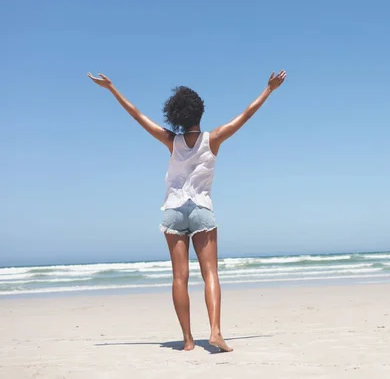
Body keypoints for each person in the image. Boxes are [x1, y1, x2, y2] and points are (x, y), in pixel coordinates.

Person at [87, 70, 287, 352]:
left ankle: (188, 340)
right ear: (199, 113)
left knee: (179, 277)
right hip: (202, 210)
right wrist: (268, 90)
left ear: (176, 116)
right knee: (211, 275)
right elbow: (246, 115)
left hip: (173, 211)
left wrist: (112, 89)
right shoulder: (213, 139)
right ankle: (215, 332)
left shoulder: (171, 141)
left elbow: (137, 116)